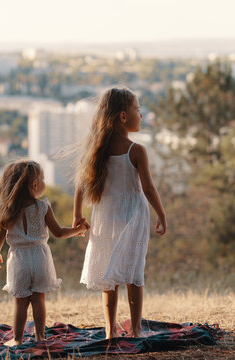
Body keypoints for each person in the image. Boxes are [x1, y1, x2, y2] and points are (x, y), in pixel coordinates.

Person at [73, 87, 167, 339]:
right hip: (133, 216)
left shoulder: (96, 150)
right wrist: (161, 213)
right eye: (138, 110)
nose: (141, 115)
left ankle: (110, 329)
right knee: (134, 274)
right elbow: (148, 187)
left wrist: (77, 214)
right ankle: (135, 330)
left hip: (105, 215)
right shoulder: (136, 150)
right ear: (123, 116)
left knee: (109, 273)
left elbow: (80, 185)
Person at [0, 160, 89, 345]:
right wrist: (78, 229)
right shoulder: (43, 207)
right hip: (40, 257)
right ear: (34, 184)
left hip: (18, 259)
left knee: (20, 303)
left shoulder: (8, 210)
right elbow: (58, 232)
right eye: (42, 178)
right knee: (38, 300)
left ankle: (17, 339)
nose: (44, 181)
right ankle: (40, 337)